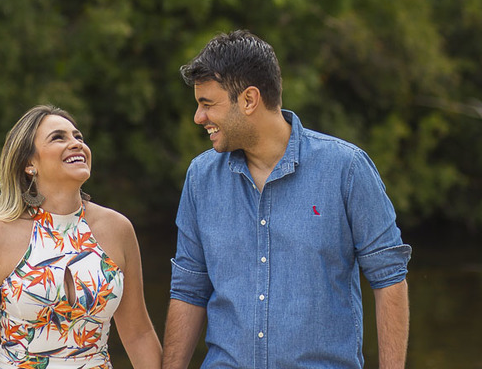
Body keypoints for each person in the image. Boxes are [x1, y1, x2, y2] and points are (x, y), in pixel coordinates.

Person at [162, 30, 411, 369]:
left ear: (249, 100)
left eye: (208, 104)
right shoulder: (201, 177)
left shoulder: (346, 169)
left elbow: (389, 279)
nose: (198, 117)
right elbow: (189, 289)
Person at [0, 104, 163, 369]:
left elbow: (138, 334)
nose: (76, 144)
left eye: (78, 137)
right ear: (29, 163)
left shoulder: (117, 229)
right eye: (58, 137)